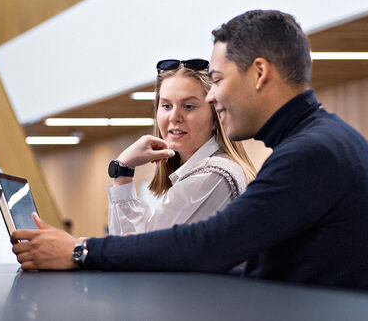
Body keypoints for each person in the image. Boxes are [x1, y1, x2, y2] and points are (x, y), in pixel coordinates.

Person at [12, 10, 368, 296]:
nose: (213, 96)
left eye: (217, 81)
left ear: (259, 73)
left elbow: (210, 243)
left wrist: (81, 251)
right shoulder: (316, 142)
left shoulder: (313, 153)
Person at [107, 59, 256, 235]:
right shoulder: (204, 171)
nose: (174, 117)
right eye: (167, 106)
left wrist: (123, 170)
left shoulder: (211, 176)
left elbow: (135, 256)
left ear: (216, 117)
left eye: (188, 106)